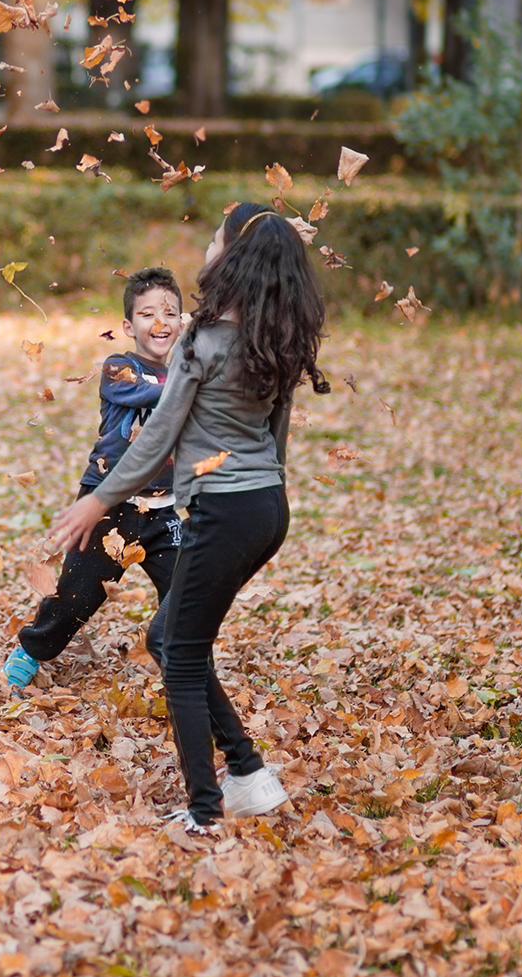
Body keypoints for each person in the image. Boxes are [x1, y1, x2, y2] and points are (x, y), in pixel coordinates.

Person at [47, 203, 328, 832]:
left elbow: (155, 438)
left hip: (226, 510)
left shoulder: (202, 341)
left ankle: (204, 811)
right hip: (265, 511)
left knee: (177, 648)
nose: (203, 247)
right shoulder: (274, 338)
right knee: (171, 639)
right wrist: (258, 496)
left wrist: (98, 499)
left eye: (212, 238)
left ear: (231, 257)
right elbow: (276, 440)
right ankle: (249, 775)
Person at [4, 267, 186, 691]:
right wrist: (194, 373)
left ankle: (183, 662)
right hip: (108, 507)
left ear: (181, 324)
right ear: (128, 326)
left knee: (188, 590)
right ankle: (33, 649)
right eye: (146, 314)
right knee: (75, 599)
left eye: (170, 314)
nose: (159, 322)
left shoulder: (185, 373)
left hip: (163, 511)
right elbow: (157, 392)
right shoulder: (119, 368)